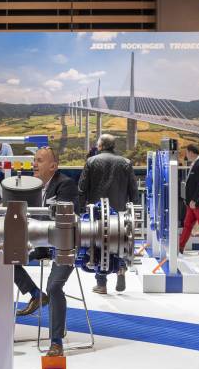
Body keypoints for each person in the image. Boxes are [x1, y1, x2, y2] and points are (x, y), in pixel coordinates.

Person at [14, 147, 78, 357]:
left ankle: (56, 341)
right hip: (41, 244)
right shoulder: (33, 186)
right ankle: (35, 295)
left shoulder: (66, 184)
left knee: (54, 286)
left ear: (53, 166)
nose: (34, 164)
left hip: (64, 244)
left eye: (40, 160)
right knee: (7, 259)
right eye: (35, 160)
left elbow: (63, 217)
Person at [78, 133, 138, 294]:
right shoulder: (126, 162)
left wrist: (81, 210)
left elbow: (82, 188)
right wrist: (131, 209)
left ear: (100, 146)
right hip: (119, 213)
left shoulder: (91, 162)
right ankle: (121, 269)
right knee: (120, 242)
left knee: (98, 246)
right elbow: (133, 190)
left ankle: (101, 284)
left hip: (97, 213)